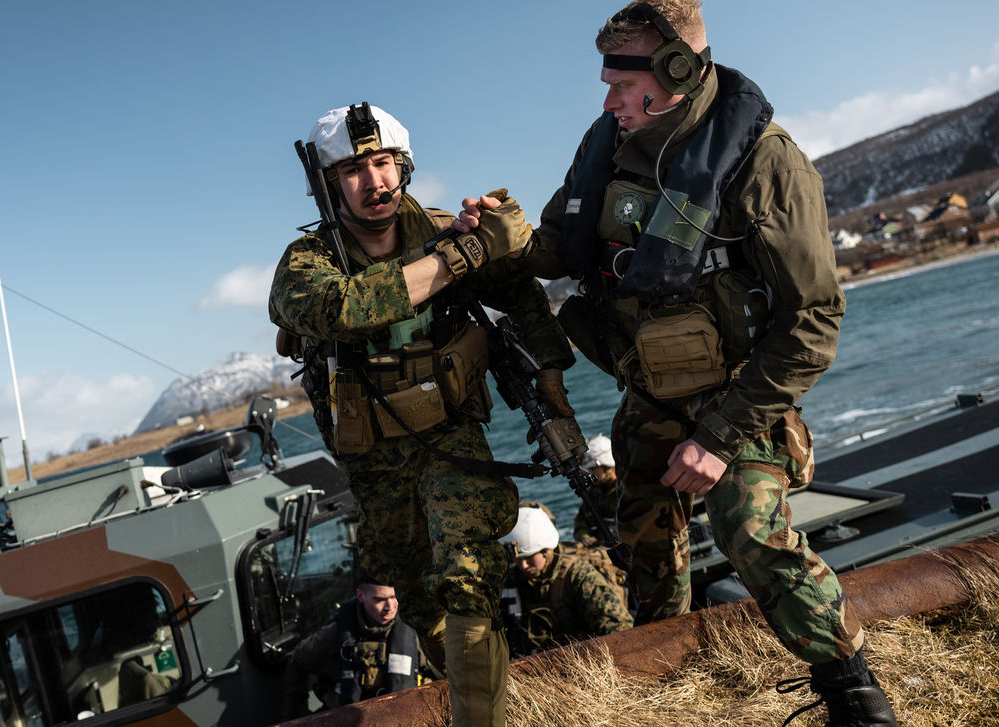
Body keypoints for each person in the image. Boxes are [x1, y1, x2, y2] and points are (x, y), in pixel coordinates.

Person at [456, 3, 896, 724]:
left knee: (750, 530)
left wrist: (719, 439)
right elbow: (559, 251)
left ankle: (852, 689)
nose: (606, 101)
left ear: (677, 72)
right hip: (652, 398)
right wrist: (495, 234)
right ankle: (675, 680)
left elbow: (813, 320)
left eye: (620, 84)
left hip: (739, 397)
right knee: (642, 542)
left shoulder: (764, 160)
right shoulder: (606, 149)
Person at [270, 103, 579, 727]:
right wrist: (459, 259)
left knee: (468, 573)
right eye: (354, 169)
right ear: (329, 185)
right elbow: (345, 309)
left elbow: (522, 295)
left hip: (451, 437)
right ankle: (481, 695)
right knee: (417, 594)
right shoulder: (306, 263)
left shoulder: (443, 228)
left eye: (384, 163)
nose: (374, 181)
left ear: (403, 165)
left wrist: (551, 382)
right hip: (375, 460)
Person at [281, 581, 435, 718]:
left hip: (407, 716)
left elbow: (445, 671)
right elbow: (298, 660)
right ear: (361, 596)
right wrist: (296, 718)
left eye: (394, 597)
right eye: (380, 600)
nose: (390, 607)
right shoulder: (336, 634)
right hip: (351, 718)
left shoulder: (416, 629)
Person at [500, 504, 632, 657]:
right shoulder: (513, 577)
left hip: (582, 656)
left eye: (529, 557)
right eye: (517, 559)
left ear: (546, 550)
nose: (523, 565)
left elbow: (619, 629)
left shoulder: (578, 574)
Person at [572, 434, 619, 546]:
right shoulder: (595, 490)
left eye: (593, 469)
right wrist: (584, 536)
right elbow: (581, 520)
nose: (590, 473)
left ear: (607, 466)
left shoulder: (625, 489)